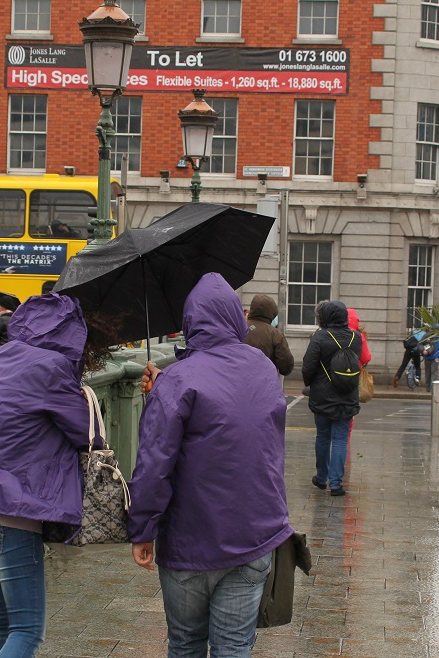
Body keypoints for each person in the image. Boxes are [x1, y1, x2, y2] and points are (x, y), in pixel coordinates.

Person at [129, 272, 292, 658]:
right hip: (255, 532)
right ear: (236, 317)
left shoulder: (179, 381)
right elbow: (235, 414)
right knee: (233, 647)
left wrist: (142, 530)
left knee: (185, 645)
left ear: (189, 322)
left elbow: (155, 464)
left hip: (190, 537)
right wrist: (169, 381)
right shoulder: (263, 368)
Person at [0, 292, 117, 657]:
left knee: (0, 621)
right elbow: (89, 435)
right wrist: (82, 390)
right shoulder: (52, 368)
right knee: (27, 629)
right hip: (10, 510)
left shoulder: (1, 358)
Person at [302, 301, 362, 496]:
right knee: (340, 439)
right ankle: (335, 484)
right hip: (347, 394)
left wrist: (310, 384)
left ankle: (321, 478)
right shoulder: (356, 338)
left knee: (323, 435)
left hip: (322, 396)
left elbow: (308, 366)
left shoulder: (320, 337)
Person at [243, 294, 294, 376]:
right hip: (265, 382)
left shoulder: (238, 328)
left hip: (238, 381)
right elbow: (286, 366)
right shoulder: (275, 334)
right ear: (272, 312)